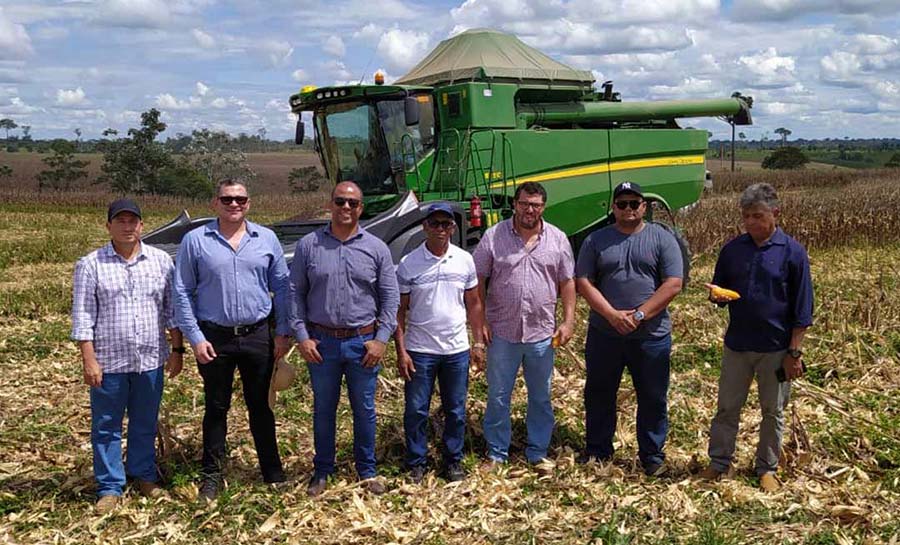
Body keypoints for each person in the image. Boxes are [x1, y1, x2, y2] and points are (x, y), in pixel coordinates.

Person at [173, 179, 291, 501]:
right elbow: (181, 291)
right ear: (216, 203)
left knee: (261, 407)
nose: (234, 204)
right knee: (215, 407)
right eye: (227, 199)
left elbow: (281, 287)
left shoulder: (266, 238)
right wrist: (195, 338)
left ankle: (272, 472)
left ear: (248, 203)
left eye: (240, 199)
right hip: (214, 338)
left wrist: (282, 331)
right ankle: (211, 477)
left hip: (257, 335)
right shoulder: (195, 241)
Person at [71, 198, 183, 513]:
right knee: (106, 424)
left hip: (149, 359)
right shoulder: (91, 264)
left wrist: (177, 350)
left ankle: (144, 476)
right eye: (120, 221)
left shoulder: (161, 261)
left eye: (132, 221)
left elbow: (171, 311)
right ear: (108, 226)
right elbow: (83, 316)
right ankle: (109, 487)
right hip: (109, 362)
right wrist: (89, 359)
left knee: (145, 422)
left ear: (141, 225)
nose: (127, 226)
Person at [700, 183, 813, 492]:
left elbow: (803, 309)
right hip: (737, 345)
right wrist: (717, 296)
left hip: (776, 348)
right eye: (746, 216)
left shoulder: (792, 253)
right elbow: (720, 290)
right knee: (726, 408)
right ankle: (719, 462)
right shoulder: (733, 250)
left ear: (775, 213)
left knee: (772, 412)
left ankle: (767, 468)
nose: (751, 222)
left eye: (757, 216)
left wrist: (794, 353)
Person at [289, 181, 399, 497]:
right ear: (331, 205)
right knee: (324, 409)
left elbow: (389, 297)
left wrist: (381, 339)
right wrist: (302, 336)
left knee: (364, 409)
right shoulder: (309, 245)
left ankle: (367, 471)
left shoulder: (376, 248)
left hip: (362, 343)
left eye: (353, 203)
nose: (346, 208)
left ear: (361, 208)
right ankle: (323, 470)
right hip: (322, 344)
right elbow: (296, 293)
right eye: (341, 202)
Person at [575, 181, 683, 476]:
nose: (628, 209)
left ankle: (651, 455)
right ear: (613, 208)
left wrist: (638, 315)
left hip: (651, 336)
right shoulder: (596, 240)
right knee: (599, 393)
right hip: (604, 333)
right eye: (621, 204)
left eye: (633, 204)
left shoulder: (662, 239)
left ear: (644, 207)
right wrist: (611, 315)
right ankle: (598, 450)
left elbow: (673, 283)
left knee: (652, 396)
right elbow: (583, 281)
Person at [473, 181, 576, 468]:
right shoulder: (494, 237)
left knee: (541, 397)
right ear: (515, 204)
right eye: (524, 204)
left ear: (543, 207)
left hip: (541, 333)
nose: (530, 210)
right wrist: (479, 323)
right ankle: (496, 453)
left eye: (536, 205)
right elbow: (477, 279)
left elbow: (567, 282)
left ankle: (537, 451)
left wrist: (568, 321)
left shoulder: (557, 238)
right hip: (502, 332)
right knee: (498, 396)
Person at [395, 203, 485, 483]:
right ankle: (417, 462)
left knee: (456, 410)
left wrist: (478, 343)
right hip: (420, 350)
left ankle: (453, 460)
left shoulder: (464, 260)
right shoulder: (409, 263)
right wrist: (400, 350)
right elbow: (399, 311)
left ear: (453, 228)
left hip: (455, 349)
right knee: (416, 409)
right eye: (434, 224)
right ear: (425, 227)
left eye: (446, 224)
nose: (440, 229)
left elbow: (474, 303)